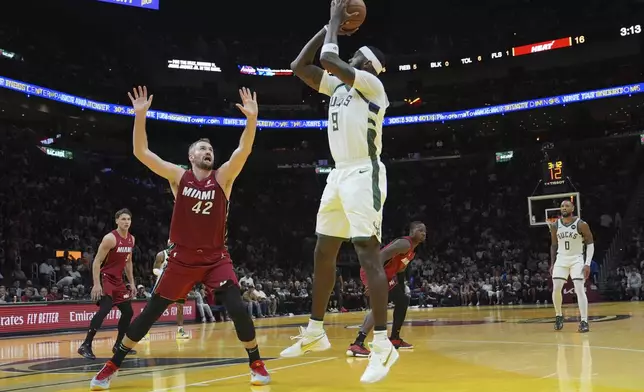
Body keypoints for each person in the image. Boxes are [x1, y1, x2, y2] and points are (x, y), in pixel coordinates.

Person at [90, 86, 269, 390]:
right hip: (181, 259)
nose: (207, 151)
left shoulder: (223, 178)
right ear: (190, 156)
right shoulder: (178, 176)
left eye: (210, 148)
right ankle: (113, 365)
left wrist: (251, 120)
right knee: (149, 315)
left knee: (237, 306)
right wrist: (140, 115)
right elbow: (141, 153)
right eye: (201, 148)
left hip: (215, 258)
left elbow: (244, 151)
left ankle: (256, 362)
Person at [280, 0, 392, 383]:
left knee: (366, 254)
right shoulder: (340, 87)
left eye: (358, 53)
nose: (353, 53)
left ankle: (382, 345)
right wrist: (327, 26)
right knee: (323, 252)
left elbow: (329, 59)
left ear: (368, 65)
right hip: (338, 175)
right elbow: (299, 66)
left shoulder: (372, 86)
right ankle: (315, 331)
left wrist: (333, 24)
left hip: (364, 173)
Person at [347, 222, 426, 357]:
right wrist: (371, 282)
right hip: (374, 271)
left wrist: (401, 288)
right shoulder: (405, 244)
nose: (424, 233)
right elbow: (380, 256)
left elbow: (400, 271)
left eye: (425, 231)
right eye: (420, 230)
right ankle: (357, 343)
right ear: (412, 232)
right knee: (380, 307)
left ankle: (394, 338)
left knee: (402, 301)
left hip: (385, 275)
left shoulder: (412, 251)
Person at [78, 209, 138, 360]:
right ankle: (86, 345)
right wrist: (96, 284)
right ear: (117, 220)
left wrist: (132, 283)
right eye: (123, 219)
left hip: (118, 280)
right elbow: (97, 261)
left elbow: (128, 262)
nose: (126, 222)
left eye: (129, 219)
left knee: (128, 312)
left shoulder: (131, 239)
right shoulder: (110, 238)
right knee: (104, 310)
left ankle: (118, 344)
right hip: (106, 278)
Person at [550, 200, 595, 333]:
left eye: (567, 206)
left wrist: (587, 263)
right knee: (556, 287)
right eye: (562, 206)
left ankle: (584, 321)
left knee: (579, 288)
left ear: (573, 208)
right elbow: (553, 245)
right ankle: (558, 316)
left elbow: (590, 244)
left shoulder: (581, 224)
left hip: (577, 258)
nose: (564, 208)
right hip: (561, 258)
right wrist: (552, 263)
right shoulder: (555, 225)